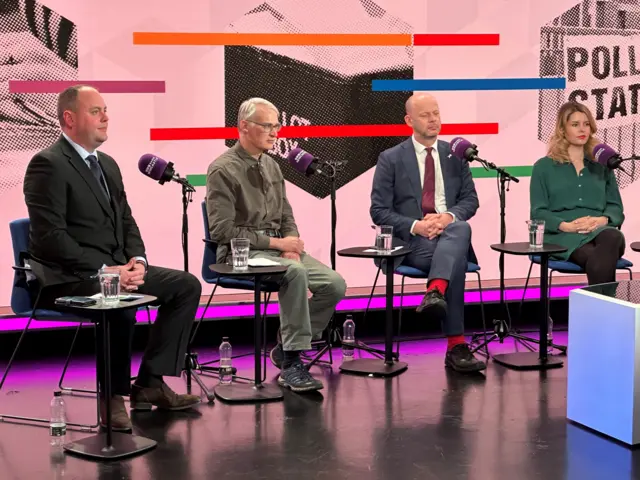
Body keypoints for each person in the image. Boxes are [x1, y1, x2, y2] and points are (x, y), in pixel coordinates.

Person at [23, 85, 201, 432]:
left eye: (105, 110)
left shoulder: (108, 164)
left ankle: (149, 382)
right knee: (116, 298)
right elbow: (50, 237)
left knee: (185, 285)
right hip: (67, 276)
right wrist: (107, 272)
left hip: (117, 270)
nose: (105, 117)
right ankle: (112, 397)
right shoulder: (47, 164)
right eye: (96, 111)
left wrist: (138, 262)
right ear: (69, 119)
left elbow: (126, 219)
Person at [206, 97, 347, 393]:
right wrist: (277, 242)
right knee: (294, 273)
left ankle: (287, 346)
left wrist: (290, 244)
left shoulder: (271, 165)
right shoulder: (222, 168)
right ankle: (293, 363)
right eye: (267, 126)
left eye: (277, 126)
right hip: (240, 254)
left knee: (334, 283)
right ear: (243, 126)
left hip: (277, 250)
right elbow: (222, 230)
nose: (275, 133)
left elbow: (285, 213)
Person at [370, 92, 485, 373]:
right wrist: (418, 225)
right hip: (410, 243)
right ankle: (456, 345)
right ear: (409, 120)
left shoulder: (456, 155)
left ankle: (436, 290)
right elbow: (378, 210)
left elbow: (470, 200)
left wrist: (446, 218)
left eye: (436, 113)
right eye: (425, 115)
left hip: (448, 236)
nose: (434, 119)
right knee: (455, 254)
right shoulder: (391, 159)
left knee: (459, 227)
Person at [530, 101, 625, 285]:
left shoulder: (602, 165)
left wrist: (602, 220)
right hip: (563, 236)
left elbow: (615, 207)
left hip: (600, 232)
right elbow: (538, 213)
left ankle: (598, 311)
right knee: (598, 257)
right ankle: (605, 311)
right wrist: (566, 226)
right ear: (562, 130)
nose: (582, 129)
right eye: (575, 125)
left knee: (612, 236)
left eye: (586, 124)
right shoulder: (543, 167)